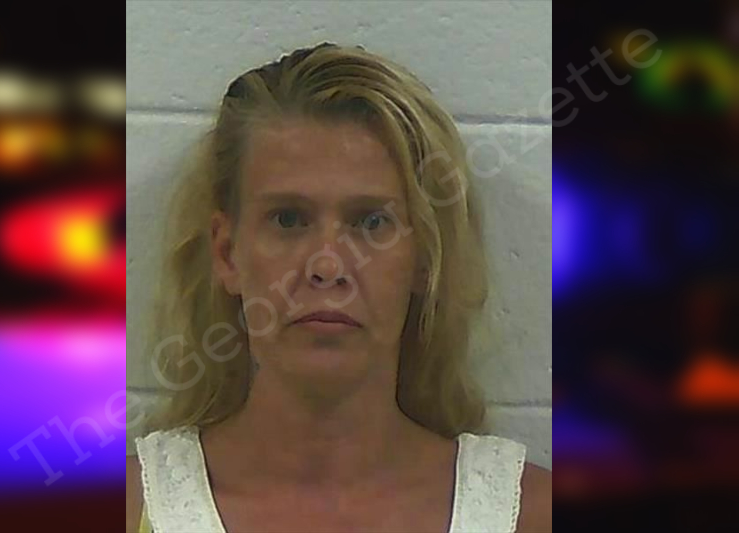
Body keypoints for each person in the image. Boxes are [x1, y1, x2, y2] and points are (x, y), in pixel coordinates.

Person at [126, 42, 551, 533]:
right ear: (227, 254)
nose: (327, 266)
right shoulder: (127, 507)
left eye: (371, 222)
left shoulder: (532, 514)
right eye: (288, 219)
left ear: (424, 258)